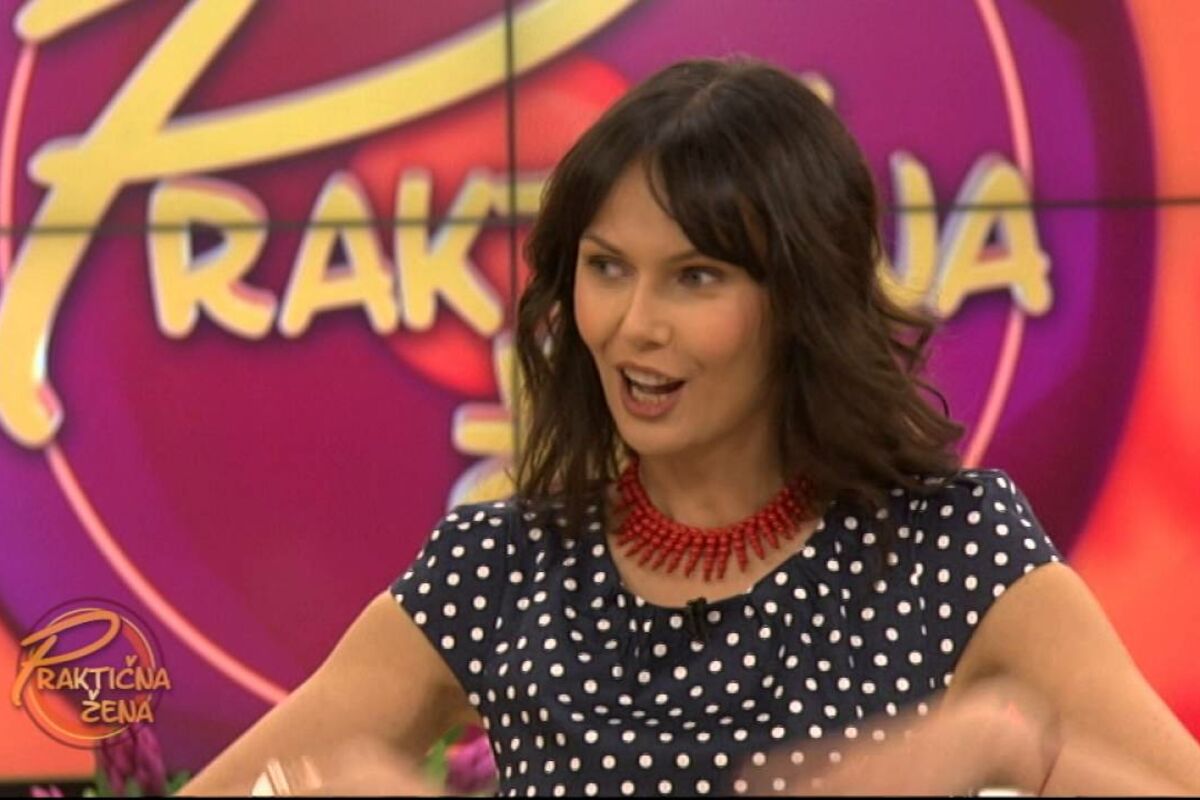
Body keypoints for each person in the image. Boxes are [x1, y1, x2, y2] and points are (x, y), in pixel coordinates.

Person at [179, 57, 1200, 797]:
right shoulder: (501, 567)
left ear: (801, 301)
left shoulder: (950, 551)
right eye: (606, 267)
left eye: (695, 277)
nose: (634, 324)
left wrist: (1019, 755)